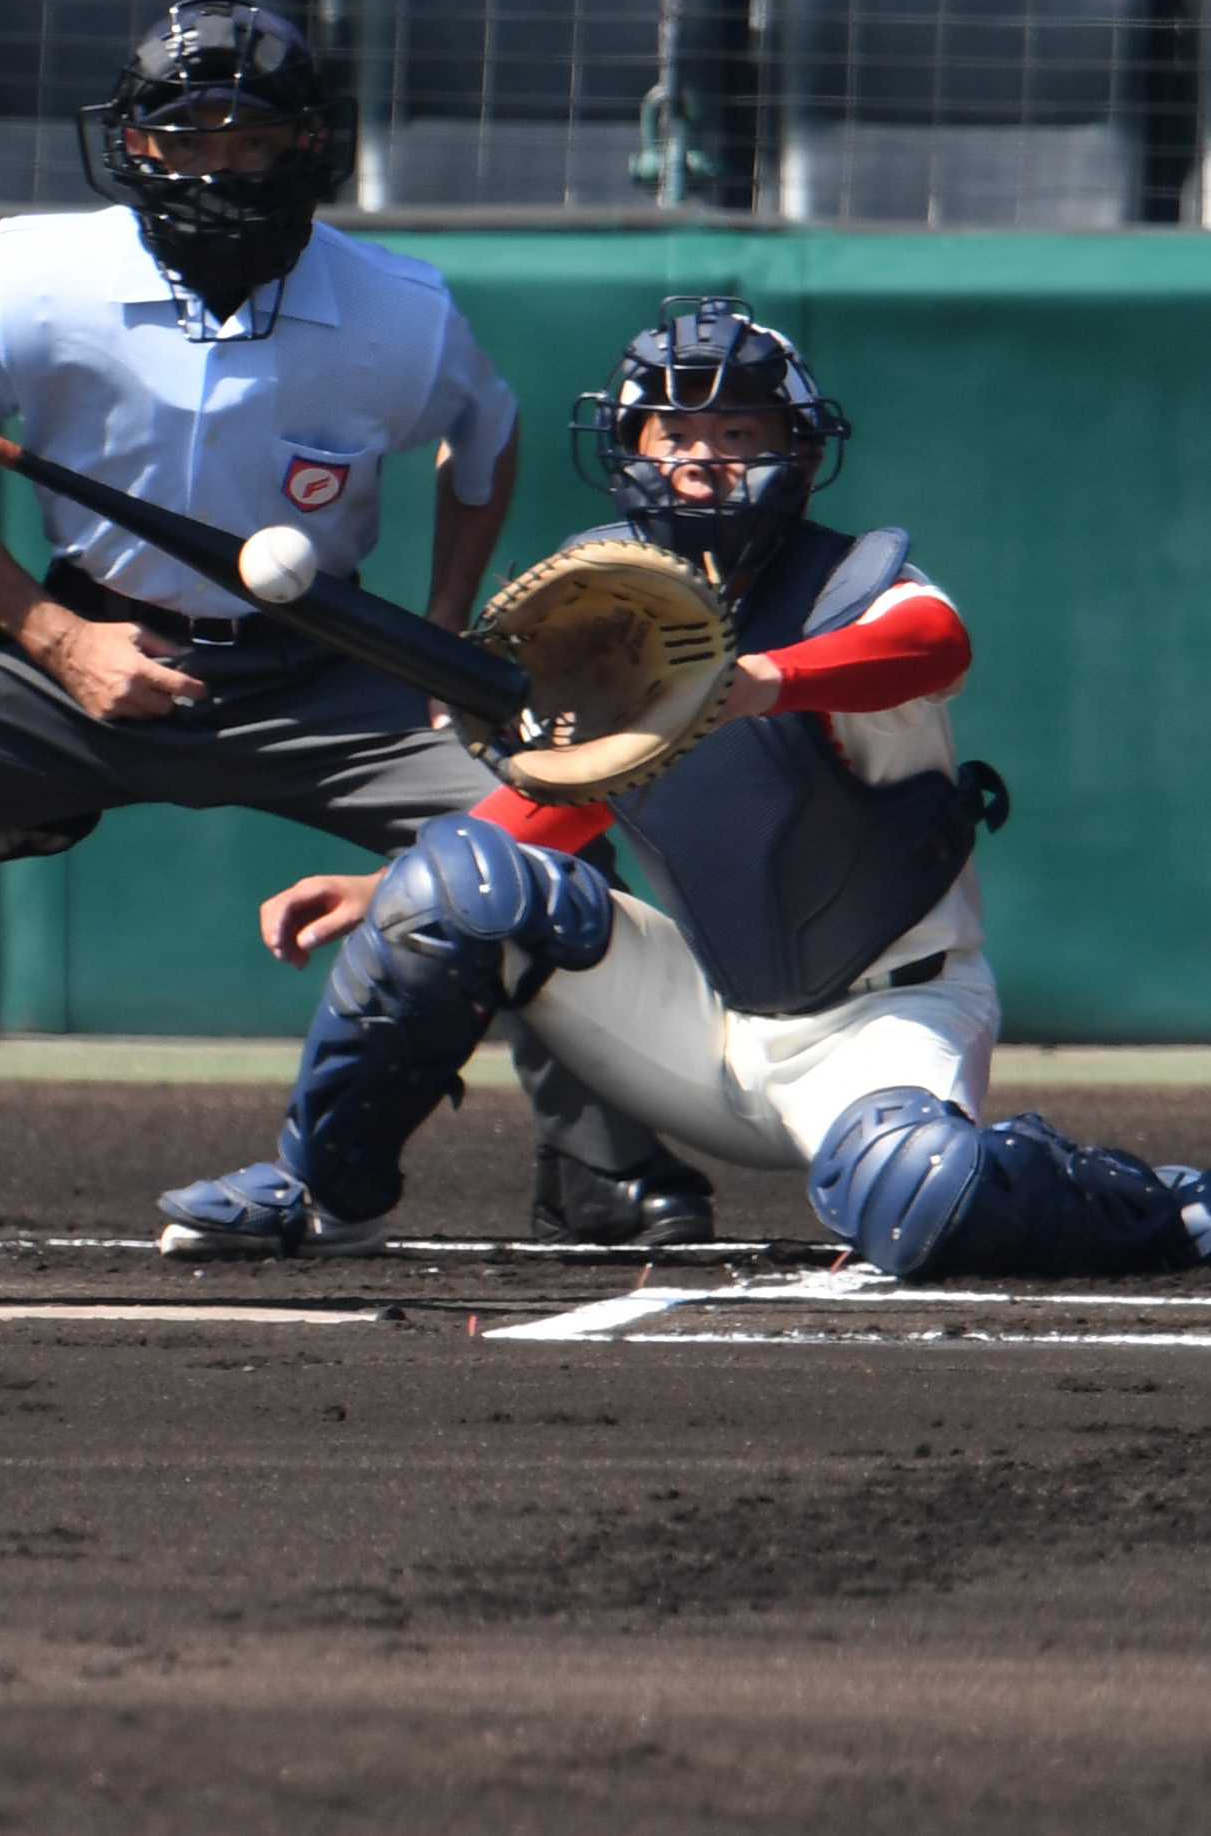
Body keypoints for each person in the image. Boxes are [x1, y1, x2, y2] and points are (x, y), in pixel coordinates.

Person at [0, 0, 705, 1256]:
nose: (220, 162)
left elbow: (479, 447)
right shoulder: (19, 277)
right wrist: (55, 636)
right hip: (74, 655)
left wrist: (440, 642)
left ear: (305, 149)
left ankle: (595, 1156)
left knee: (547, 838)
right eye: (188, 135)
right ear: (134, 148)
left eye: (253, 138)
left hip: (326, 667)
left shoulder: (399, 308)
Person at [158, 299, 1211, 1276]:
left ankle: (1159, 1205)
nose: (704, 460)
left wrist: (762, 680)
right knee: (447, 888)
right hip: (704, 1015)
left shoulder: (853, 583)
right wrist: (383, 885)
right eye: (675, 435)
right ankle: (322, 1193)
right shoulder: (609, 591)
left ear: (798, 451)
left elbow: (933, 645)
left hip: (884, 1018)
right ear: (629, 452)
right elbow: (573, 790)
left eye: (740, 434)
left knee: (919, 1194)